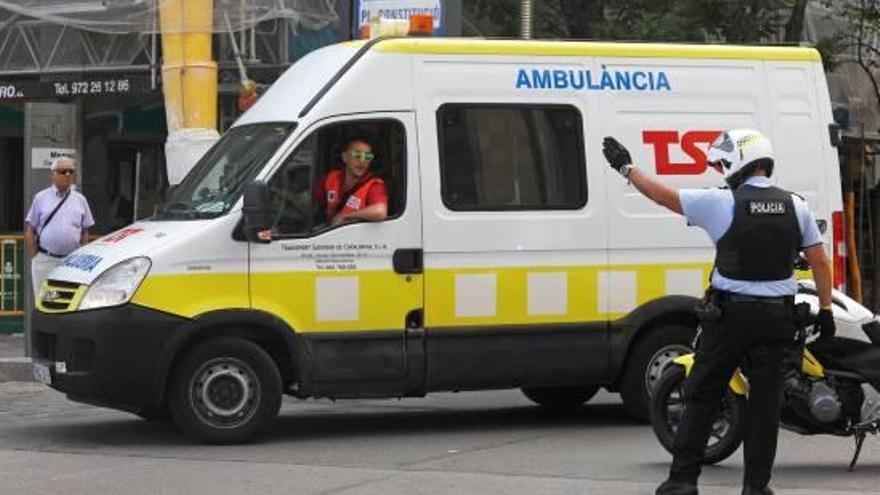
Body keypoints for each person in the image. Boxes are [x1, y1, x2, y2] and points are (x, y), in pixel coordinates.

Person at [602, 130, 835, 495]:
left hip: (730, 319)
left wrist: (626, 167)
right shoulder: (796, 205)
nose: (724, 172)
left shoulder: (721, 203)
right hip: (777, 320)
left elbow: (663, 196)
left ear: (740, 160)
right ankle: (756, 488)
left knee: (702, 394)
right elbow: (820, 262)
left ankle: (682, 481)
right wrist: (825, 311)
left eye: (726, 164)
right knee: (765, 407)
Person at [24, 157, 95, 299]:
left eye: (71, 171)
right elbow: (30, 228)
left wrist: (81, 254)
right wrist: (35, 256)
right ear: (53, 175)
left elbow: (85, 230)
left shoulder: (80, 199)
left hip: (71, 261)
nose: (68, 175)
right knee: (44, 300)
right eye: (63, 171)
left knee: (68, 301)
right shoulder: (41, 198)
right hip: (45, 260)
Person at [316, 138, 388, 226]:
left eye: (367, 157)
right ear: (344, 157)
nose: (362, 161)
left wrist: (346, 216)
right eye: (357, 155)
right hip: (326, 233)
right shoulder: (331, 177)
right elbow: (315, 205)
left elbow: (380, 212)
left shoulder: (374, 185)